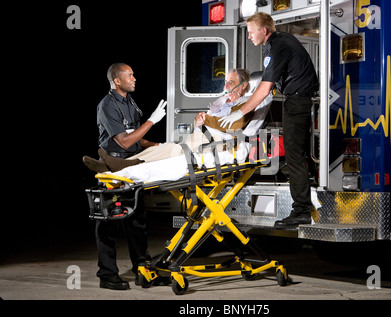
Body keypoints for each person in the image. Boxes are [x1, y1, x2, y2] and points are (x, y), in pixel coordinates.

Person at [219, 12, 319, 227]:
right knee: (297, 153)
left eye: (250, 31)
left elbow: (265, 87)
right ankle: (306, 200)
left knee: (294, 156)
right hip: (295, 100)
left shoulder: (279, 44)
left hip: (297, 102)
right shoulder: (275, 44)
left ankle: (301, 210)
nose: (248, 36)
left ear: (263, 30)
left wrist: (241, 111)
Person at [84, 68, 254, 173]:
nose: (226, 86)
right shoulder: (221, 102)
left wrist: (207, 119)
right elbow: (207, 122)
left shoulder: (246, 104)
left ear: (244, 85)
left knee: (173, 149)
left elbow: (234, 124)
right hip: (203, 138)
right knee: (169, 148)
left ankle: (119, 164)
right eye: (225, 82)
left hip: (222, 143)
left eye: (231, 82)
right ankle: (117, 164)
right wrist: (198, 121)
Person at [90, 62, 166, 290]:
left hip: (131, 165)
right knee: (109, 221)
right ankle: (107, 274)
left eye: (133, 74)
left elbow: (135, 138)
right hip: (113, 167)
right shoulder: (107, 106)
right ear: (117, 81)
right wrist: (152, 120)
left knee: (136, 219)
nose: (134, 78)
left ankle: (142, 268)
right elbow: (122, 141)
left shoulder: (129, 102)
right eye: (130, 75)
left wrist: (159, 144)